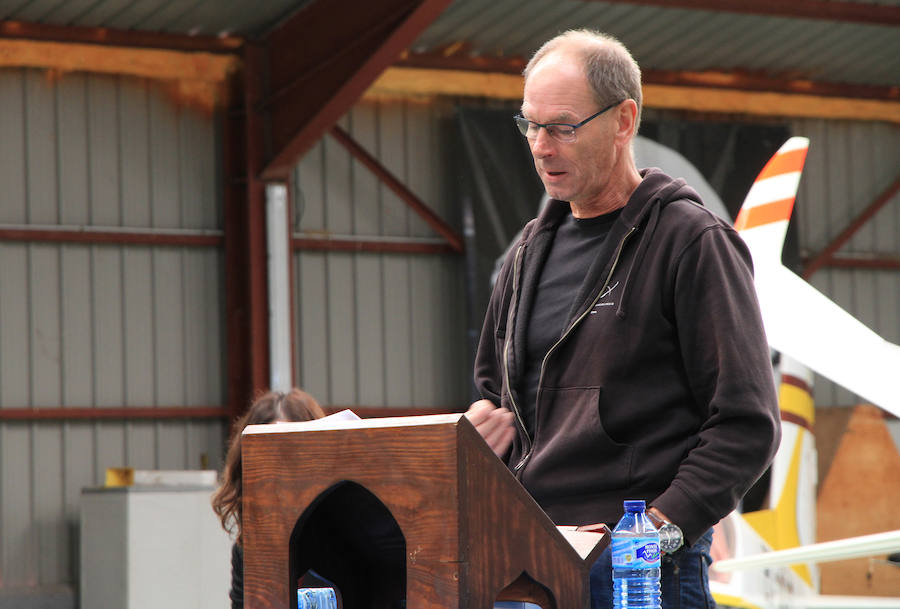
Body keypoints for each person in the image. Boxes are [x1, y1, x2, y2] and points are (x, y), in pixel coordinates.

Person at [465, 29, 781, 609]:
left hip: (641, 581)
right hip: (529, 569)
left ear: (624, 120)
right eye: (530, 125)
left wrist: (644, 542)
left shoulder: (691, 243)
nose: (540, 146)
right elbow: (497, 401)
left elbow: (746, 425)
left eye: (561, 126)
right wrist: (475, 436)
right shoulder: (522, 258)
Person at [212, 389, 326, 609]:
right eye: (272, 455)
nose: (284, 469)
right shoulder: (250, 547)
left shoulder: (348, 532)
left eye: (292, 453)